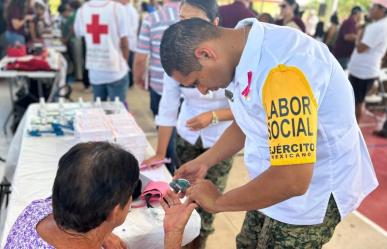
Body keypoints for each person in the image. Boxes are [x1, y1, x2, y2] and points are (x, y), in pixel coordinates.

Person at [160, 17, 378, 248]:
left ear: (206, 54)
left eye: (196, 82)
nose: (202, 91)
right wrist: (205, 161)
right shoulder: (239, 51)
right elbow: (250, 121)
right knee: (247, 243)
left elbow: (293, 179)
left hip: (306, 200)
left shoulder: (283, 71)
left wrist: (218, 201)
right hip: (269, 181)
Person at [142, 0, 233, 247]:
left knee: (210, 201)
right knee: (183, 194)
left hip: (223, 140)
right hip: (189, 135)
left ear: (214, 24)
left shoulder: (230, 58)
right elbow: (168, 106)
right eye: (182, 20)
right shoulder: (178, 55)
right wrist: (160, 153)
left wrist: (213, 117)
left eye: (193, 22)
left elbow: (246, 111)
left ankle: (199, 241)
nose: (202, 90)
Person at [4, 142, 197, 249]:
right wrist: (173, 233)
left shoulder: (36, 210)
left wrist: (102, 234)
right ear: (114, 212)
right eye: (130, 194)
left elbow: (80, 195)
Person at [133, 0, 180, 174]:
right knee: (183, 133)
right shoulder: (193, 16)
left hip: (159, 85)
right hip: (190, 87)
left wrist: (138, 78)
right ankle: (181, 171)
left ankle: (168, 171)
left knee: (165, 130)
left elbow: (140, 58)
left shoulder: (152, 19)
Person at [74, 0, 130, 102]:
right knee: (118, 112)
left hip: (95, 70)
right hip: (115, 70)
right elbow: (124, 43)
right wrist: (125, 62)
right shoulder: (117, 8)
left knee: (99, 110)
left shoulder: (81, 11)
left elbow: (79, 33)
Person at [347, 0, 387, 123]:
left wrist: (358, 37)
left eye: (373, 7)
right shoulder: (379, 25)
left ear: (382, 10)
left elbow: (360, 48)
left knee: (356, 103)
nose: (370, 9)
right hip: (364, 70)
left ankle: (354, 130)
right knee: (357, 102)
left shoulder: (379, 27)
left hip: (363, 72)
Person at [118, 0, 139, 88]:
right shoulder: (123, 9)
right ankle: (129, 82)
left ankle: (129, 82)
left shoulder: (131, 11)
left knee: (128, 63)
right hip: (127, 41)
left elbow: (132, 29)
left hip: (129, 41)